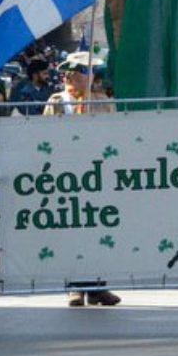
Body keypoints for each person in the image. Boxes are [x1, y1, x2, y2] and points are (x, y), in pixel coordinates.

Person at [46, 53, 122, 307]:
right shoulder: (58, 102)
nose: (86, 76)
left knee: (99, 230)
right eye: (80, 71)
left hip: (98, 172)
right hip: (68, 174)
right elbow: (42, 136)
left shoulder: (103, 101)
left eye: (89, 72)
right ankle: (75, 287)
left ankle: (99, 286)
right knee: (73, 230)